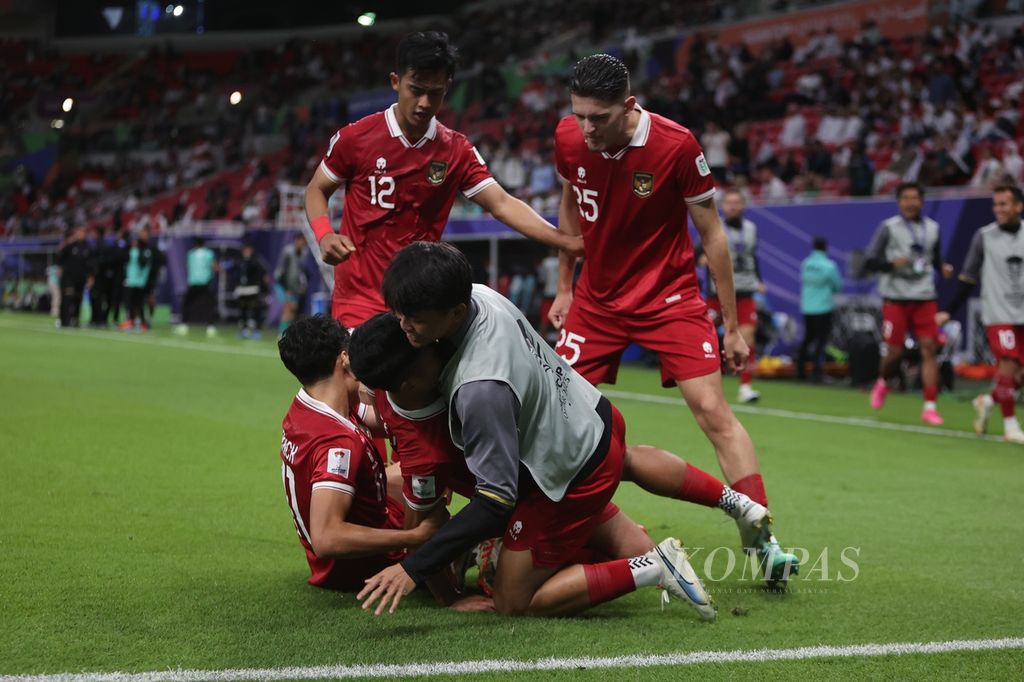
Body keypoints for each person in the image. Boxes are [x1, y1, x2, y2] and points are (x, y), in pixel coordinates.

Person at [354, 242, 722, 619]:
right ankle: (715, 513)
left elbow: (496, 501)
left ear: (455, 312)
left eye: (415, 317)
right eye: (400, 313)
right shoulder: (479, 294)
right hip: (591, 418)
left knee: (513, 601)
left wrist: (413, 568)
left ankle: (654, 567)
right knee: (589, 506)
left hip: (573, 472)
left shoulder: (478, 388)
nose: (404, 326)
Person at [547, 54, 797, 581]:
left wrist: (730, 325)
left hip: (669, 298)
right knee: (551, 412)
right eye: (580, 115)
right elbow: (569, 202)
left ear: (629, 106)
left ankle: (763, 539)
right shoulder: (569, 138)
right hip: (595, 303)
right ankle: (568, 532)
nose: (586, 128)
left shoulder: (676, 145)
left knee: (712, 411)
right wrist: (565, 286)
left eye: (599, 118)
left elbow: (713, 236)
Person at [303, 31, 582, 330]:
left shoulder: (456, 150)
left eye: (434, 93)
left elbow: (501, 203)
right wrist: (324, 234)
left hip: (421, 304)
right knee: (365, 377)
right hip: (359, 301)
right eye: (416, 90)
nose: (424, 103)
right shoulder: (356, 138)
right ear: (396, 82)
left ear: (447, 87)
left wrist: (564, 241)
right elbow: (317, 189)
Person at [276, 315, 448, 591]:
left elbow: (387, 422)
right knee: (434, 492)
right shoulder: (337, 444)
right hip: (362, 566)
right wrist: (414, 536)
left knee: (418, 472)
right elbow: (327, 538)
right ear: (343, 358)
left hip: (359, 528)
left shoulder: (311, 403)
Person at [937, 185, 1024, 443]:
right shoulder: (984, 237)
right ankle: (1010, 427)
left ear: (1018, 206)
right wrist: (949, 311)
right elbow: (967, 278)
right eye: (995, 204)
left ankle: (987, 400)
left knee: (1019, 375)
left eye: (1004, 204)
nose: (998, 209)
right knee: (1008, 364)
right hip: (998, 313)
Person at [863, 183, 954, 424]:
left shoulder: (933, 228)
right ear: (899, 202)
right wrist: (892, 264)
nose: (911, 202)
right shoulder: (888, 228)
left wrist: (942, 268)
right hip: (895, 298)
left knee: (929, 349)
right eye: (906, 198)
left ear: (922, 201)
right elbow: (869, 261)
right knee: (894, 352)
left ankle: (930, 406)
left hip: (925, 297)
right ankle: (883, 381)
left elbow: (933, 259)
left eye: (915, 198)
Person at [704, 189, 764, 403]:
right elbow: (698, 252)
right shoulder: (714, 225)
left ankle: (745, 386)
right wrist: (703, 259)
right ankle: (704, 382)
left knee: (747, 337)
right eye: (729, 203)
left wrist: (760, 280)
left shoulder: (751, 229)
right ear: (723, 206)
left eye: (737, 202)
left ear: (743, 205)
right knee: (705, 336)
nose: (733, 206)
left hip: (745, 289)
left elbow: (753, 257)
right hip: (718, 291)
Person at [797, 237, 843, 382]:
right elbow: (837, 286)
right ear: (825, 248)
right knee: (821, 341)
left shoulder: (805, 264)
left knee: (807, 339)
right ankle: (817, 372)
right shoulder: (830, 266)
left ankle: (800, 371)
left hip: (807, 307)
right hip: (823, 308)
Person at [174, 237, 218, 337]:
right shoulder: (209, 253)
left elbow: (187, 266)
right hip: (205, 282)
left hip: (194, 282)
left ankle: (183, 326)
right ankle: (210, 327)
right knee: (209, 305)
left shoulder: (191, 254)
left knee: (187, 304)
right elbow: (214, 267)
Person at [56, 228, 92, 329]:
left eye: (82, 233)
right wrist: (60, 269)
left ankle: (75, 319)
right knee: (67, 298)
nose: (80, 234)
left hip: (81, 278)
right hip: (68, 277)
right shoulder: (70, 245)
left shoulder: (87, 247)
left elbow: (89, 264)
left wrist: (90, 277)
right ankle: (64, 320)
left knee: (78, 299)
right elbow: (60, 256)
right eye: (79, 232)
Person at [274, 233, 308, 336]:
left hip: (295, 288)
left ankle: (287, 333)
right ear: (297, 240)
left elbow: (301, 273)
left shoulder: (303, 254)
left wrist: (302, 286)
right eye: (301, 241)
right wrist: (286, 289)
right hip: (284, 285)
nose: (303, 244)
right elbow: (281, 272)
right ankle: (282, 334)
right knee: (288, 309)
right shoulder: (288, 252)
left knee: (293, 311)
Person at [119, 228, 153, 331]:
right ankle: (131, 321)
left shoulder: (145, 251)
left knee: (140, 303)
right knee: (130, 303)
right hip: (131, 281)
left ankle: (142, 322)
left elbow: (145, 266)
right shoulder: (132, 251)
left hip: (140, 282)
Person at [233, 241, 268, 338]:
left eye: (248, 249)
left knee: (256, 310)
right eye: (245, 249)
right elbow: (235, 273)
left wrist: (262, 286)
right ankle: (244, 330)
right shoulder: (239, 260)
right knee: (242, 310)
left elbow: (263, 273)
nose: (247, 251)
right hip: (242, 290)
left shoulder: (256, 260)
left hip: (253, 289)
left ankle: (257, 330)